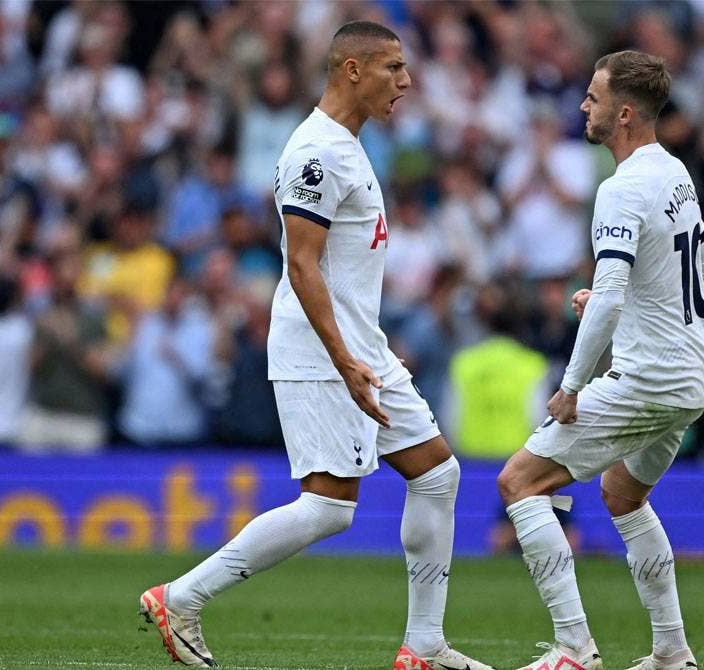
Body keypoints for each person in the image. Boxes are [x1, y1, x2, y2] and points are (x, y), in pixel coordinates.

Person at [138, 21, 492, 670]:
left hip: (363, 350)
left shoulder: (352, 147)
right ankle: (181, 597)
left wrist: (367, 351)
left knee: (438, 474)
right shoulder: (317, 152)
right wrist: (345, 359)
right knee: (329, 508)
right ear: (351, 70)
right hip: (324, 354)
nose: (406, 82)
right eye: (393, 68)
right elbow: (301, 266)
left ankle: (424, 645)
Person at [496, 50, 704, 670]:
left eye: (591, 98)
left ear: (622, 114)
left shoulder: (621, 189)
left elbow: (615, 290)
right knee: (622, 493)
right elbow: (700, 271)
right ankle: (671, 651)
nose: (582, 106)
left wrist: (571, 386)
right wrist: (626, 298)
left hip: (650, 376)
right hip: (693, 374)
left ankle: (573, 648)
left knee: (519, 483)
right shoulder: (674, 174)